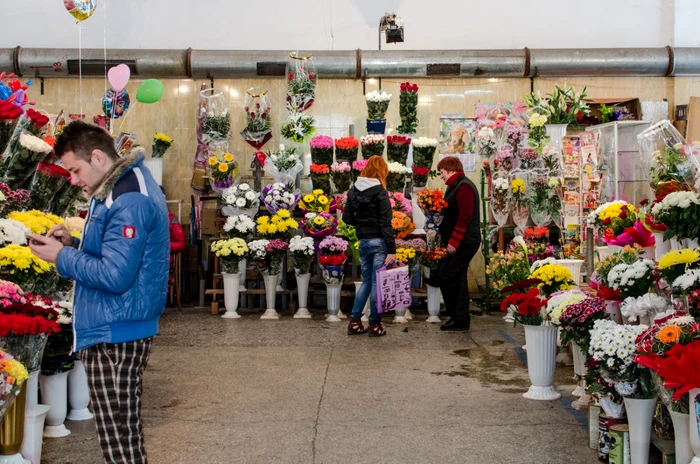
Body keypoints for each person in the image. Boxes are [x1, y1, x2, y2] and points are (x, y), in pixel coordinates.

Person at [29, 121, 169, 464]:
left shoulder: (128, 197)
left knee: (119, 442)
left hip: (115, 334)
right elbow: (115, 254)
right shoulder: (119, 187)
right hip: (116, 324)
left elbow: (115, 275)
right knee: (123, 435)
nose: (73, 179)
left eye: (75, 170)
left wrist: (62, 257)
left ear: (97, 157)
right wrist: (74, 244)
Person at [342, 155, 396, 337]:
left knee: (366, 282)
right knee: (376, 284)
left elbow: (346, 218)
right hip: (379, 242)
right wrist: (392, 249)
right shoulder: (380, 192)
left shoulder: (353, 190)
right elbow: (386, 222)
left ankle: (355, 321)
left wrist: (362, 223)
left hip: (363, 242)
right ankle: (374, 324)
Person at [435, 156, 482, 331]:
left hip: (465, 242)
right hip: (462, 241)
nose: (441, 176)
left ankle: (456, 316)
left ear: (450, 169)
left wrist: (453, 241)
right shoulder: (456, 186)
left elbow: (464, 217)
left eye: (442, 172)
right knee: (458, 278)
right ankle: (460, 318)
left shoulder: (463, 187)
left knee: (445, 275)